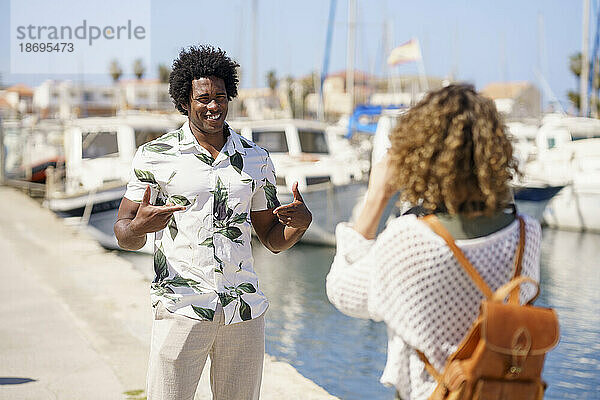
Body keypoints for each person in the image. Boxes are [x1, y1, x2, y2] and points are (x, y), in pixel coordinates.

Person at [114, 45, 312, 400]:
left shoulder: (256, 158)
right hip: (182, 306)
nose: (214, 105)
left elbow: (271, 237)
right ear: (185, 101)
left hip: (244, 309)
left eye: (221, 96)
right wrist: (139, 227)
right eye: (203, 98)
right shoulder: (155, 156)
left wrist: (300, 223)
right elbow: (124, 232)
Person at [325, 84, 541, 400]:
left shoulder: (410, 239)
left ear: (417, 153)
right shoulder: (526, 234)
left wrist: (377, 196)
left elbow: (342, 291)